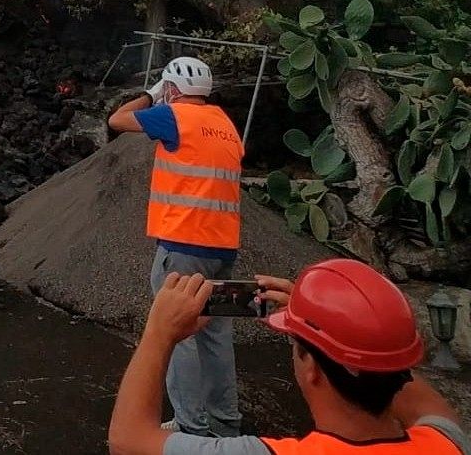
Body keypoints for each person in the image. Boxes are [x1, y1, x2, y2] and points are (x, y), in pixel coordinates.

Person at [109, 259, 470, 454]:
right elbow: (392, 364)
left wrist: (159, 332)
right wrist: (328, 317)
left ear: (311, 367)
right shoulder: (446, 443)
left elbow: (128, 440)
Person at [109, 56, 246, 437]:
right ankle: (224, 423)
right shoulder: (224, 124)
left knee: (177, 330)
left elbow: (117, 120)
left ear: (172, 89)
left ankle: (190, 425)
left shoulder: (174, 116)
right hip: (223, 249)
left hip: (184, 246)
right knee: (216, 334)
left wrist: (150, 94)